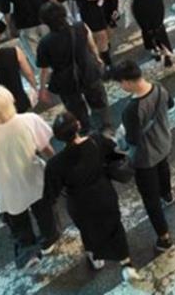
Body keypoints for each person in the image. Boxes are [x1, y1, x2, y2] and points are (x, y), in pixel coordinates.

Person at [0, 84, 59, 270]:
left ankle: (28, 252)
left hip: (6, 186)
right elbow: (45, 148)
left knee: (18, 222)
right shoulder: (29, 119)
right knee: (45, 213)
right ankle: (49, 240)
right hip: (35, 177)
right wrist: (56, 165)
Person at [44, 112, 140, 280]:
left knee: (88, 230)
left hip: (79, 203)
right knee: (114, 225)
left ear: (58, 137)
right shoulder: (96, 140)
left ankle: (96, 257)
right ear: (78, 126)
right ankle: (126, 263)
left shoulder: (55, 164)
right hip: (104, 193)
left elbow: (52, 192)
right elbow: (113, 153)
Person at [111, 59, 175, 253]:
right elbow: (170, 104)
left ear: (128, 82)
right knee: (163, 167)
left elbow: (133, 140)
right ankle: (167, 194)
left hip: (145, 157)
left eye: (120, 83)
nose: (121, 87)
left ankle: (164, 238)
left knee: (150, 199)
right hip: (164, 142)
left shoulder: (131, 109)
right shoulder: (159, 88)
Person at [37, 1, 110, 134]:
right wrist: (98, 58)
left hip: (66, 81)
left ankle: (86, 131)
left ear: (44, 21)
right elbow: (92, 46)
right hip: (89, 71)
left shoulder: (44, 43)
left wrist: (42, 89)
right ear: (64, 14)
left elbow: (44, 69)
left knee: (76, 109)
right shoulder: (80, 27)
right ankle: (105, 129)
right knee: (99, 103)